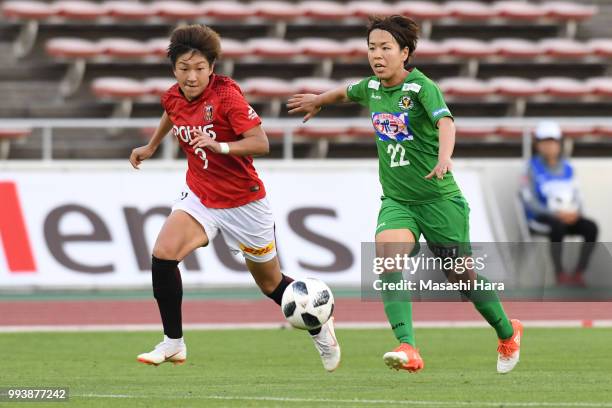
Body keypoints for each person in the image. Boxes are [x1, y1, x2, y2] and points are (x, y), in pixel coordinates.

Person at [288, 15, 522, 374]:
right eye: (371, 48)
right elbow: (346, 91)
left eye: (385, 48)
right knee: (387, 256)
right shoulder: (372, 88)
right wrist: (320, 100)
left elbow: (446, 122)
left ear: (405, 52)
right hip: (398, 201)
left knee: (462, 277)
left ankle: (508, 332)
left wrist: (445, 158)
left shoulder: (422, 88)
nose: (376, 55)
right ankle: (408, 346)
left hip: (441, 201)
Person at [129, 24, 340, 371]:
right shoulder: (173, 95)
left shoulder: (227, 96)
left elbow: (261, 143)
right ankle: (173, 343)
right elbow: (172, 111)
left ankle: (318, 322)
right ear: (174, 69)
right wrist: (152, 146)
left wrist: (220, 146)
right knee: (163, 255)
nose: (191, 76)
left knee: (271, 285)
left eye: (199, 68)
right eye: (184, 69)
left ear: (212, 68)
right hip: (200, 195)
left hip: (244, 202)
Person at [521, 120, 599, 286]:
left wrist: (575, 214)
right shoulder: (530, 168)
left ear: (559, 143)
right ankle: (560, 274)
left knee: (591, 227)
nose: (550, 146)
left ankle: (578, 273)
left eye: (553, 141)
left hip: (568, 216)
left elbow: (578, 196)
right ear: (537, 144)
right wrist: (555, 214)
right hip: (542, 218)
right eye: (545, 142)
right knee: (557, 226)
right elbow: (529, 201)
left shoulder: (568, 168)